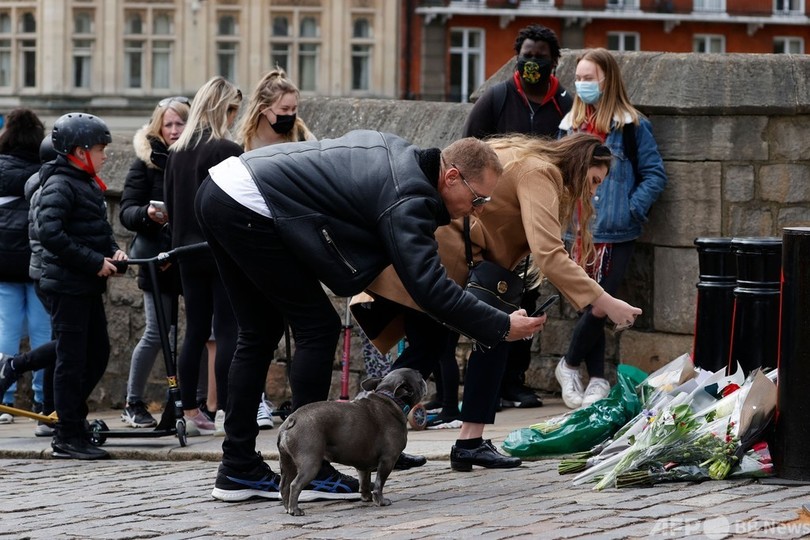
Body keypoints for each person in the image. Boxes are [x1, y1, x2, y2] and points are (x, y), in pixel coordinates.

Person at [196, 130, 543, 502]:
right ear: (451, 176)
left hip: (224, 188)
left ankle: (237, 468)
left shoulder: (405, 158)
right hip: (248, 203)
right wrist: (501, 324)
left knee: (259, 332)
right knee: (317, 328)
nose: (479, 210)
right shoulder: (409, 196)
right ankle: (305, 468)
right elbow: (431, 289)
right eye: (478, 199)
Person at [361, 133, 642, 471]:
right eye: (594, 180)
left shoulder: (524, 154)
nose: (594, 191)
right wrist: (605, 302)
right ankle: (458, 441)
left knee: (429, 345)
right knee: (493, 334)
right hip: (449, 256)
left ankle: (379, 435)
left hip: (443, 251)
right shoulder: (542, 173)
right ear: (580, 166)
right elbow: (549, 254)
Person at [463, 23, 574, 409]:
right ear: (517, 57)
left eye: (541, 57)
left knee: (528, 298)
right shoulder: (496, 98)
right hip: (496, 219)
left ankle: (515, 381)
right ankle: (485, 387)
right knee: (491, 299)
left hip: (539, 215)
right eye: (527, 55)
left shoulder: (565, 104)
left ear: (554, 62)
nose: (533, 63)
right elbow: (467, 150)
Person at [555, 48, 667, 409]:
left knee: (601, 302)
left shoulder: (630, 125)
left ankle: (569, 364)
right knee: (589, 302)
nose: (582, 84)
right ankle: (598, 379)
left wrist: (632, 209)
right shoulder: (569, 125)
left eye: (590, 78)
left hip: (616, 231)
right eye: (579, 78)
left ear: (608, 80)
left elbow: (654, 174)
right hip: (577, 229)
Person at [37, 112, 126, 460]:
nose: (105, 156)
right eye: (100, 149)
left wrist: (113, 251)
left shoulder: (87, 182)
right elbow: (50, 233)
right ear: (78, 151)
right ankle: (67, 434)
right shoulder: (59, 182)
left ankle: (72, 419)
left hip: (85, 286)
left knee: (97, 353)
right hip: (67, 286)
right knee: (70, 360)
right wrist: (93, 262)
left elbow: (98, 229)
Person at [235, 68, 315, 430]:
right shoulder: (244, 144)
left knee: (306, 330)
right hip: (255, 243)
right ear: (266, 109)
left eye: (295, 107)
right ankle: (256, 404)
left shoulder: (301, 139)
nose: (291, 114)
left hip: (294, 242)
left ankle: (303, 412)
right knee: (257, 333)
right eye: (285, 107)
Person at [164, 76, 242, 436]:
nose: (234, 118)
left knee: (194, 330)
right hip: (220, 250)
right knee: (228, 330)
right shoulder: (226, 149)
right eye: (232, 111)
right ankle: (226, 407)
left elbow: (170, 207)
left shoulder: (176, 152)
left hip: (185, 252)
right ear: (221, 108)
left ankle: (189, 408)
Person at [118, 96, 189, 428]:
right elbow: (126, 211)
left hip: (188, 257)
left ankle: (193, 402)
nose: (174, 130)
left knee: (202, 333)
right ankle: (133, 402)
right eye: (168, 124)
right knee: (157, 333)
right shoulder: (144, 162)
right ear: (158, 127)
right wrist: (147, 214)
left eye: (180, 123)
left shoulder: (195, 158)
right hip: (155, 257)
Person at [0, 108, 50, 423]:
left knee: (6, 331)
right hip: (36, 260)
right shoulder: (44, 169)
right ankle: (43, 400)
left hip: (3, 260)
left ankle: (3, 398)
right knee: (43, 330)